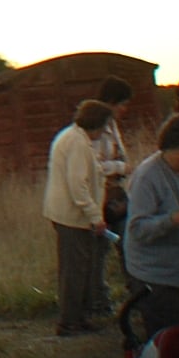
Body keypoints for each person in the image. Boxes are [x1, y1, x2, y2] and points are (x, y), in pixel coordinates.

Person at [123, 113, 179, 336]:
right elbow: (137, 229)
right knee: (167, 338)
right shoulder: (147, 176)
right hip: (154, 272)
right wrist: (171, 220)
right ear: (168, 146)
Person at [44, 98, 114, 335]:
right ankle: (69, 322)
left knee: (78, 269)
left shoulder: (74, 138)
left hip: (71, 216)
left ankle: (78, 318)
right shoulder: (77, 143)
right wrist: (95, 216)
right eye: (105, 126)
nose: (105, 131)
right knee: (74, 271)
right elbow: (78, 185)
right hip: (71, 217)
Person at [91, 76, 135, 314]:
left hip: (117, 193)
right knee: (100, 251)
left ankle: (135, 293)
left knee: (126, 245)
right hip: (101, 197)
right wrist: (119, 167)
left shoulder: (113, 127)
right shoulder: (96, 128)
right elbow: (94, 166)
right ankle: (99, 301)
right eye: (122, 104)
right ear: (110, 101)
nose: (124, 109)